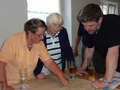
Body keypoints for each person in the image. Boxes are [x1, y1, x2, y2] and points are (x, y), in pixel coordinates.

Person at [0, 18, 72, 90]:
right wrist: (4, 86)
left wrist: (61, 76)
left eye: (43, 34)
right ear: (30, 32)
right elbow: (1, 63)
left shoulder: (39, 44)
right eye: (40, 35)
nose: (42, 37)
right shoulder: (13, 40)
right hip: (11, 83)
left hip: (30, 82)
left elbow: (49, 62)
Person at [76, 3, 120, 89]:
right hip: (117, 67)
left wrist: (106, 81)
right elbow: (89, 50)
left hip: (115, 58)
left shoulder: (113, 22)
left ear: (100, 19)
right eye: (84, 25)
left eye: (90, 25)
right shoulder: (91, 30)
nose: (87, 29)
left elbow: (113, 54)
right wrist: (83, 67)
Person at [34, 13, 77, 79]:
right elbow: (35, 55)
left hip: (59, 67)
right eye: (55, 25)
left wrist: (74, 68)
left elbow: (68, 50)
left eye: (60, 25)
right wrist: (36, 73)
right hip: (44, 69)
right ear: (47, 24)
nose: (57, 28)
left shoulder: (63, 32)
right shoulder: (42, 35)